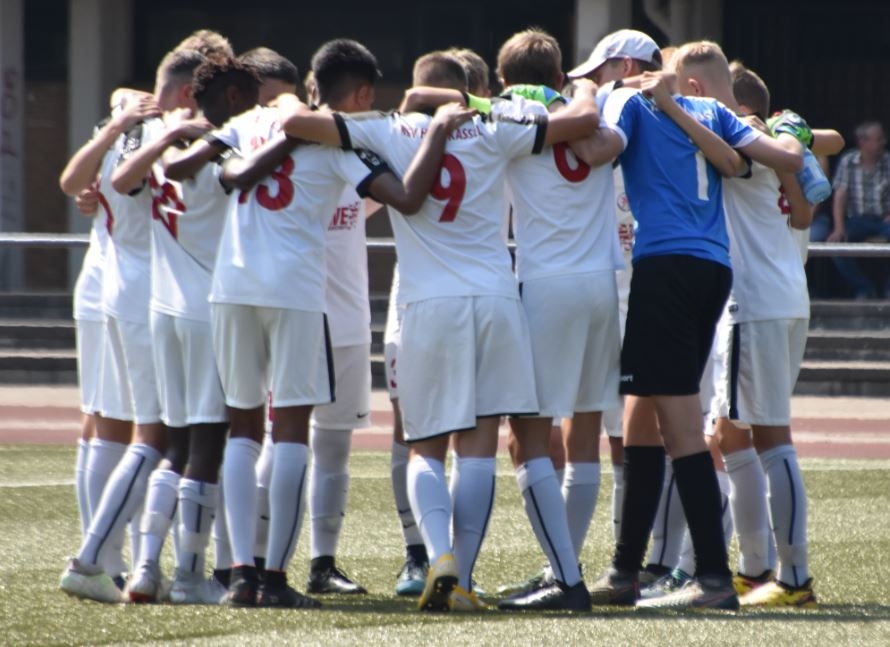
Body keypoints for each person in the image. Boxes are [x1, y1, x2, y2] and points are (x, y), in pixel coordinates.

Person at [278, 49, 601, 612]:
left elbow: (298, 123)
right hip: (497, 299)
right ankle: (465, 581)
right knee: (478, 450)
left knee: (424, 447)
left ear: (414, 88)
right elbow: (579, 123)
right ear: (468, 88)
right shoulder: (495, 124)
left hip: (429, 305)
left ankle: (439, 556)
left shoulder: (385, 129)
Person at [177, 55, 472, 607]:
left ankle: (239, 575)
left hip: (231, 285)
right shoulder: (338, 142)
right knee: (291, 432)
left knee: (244, 431)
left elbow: (203, 170)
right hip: (294, 290)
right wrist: (435, 135)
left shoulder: (247, 122)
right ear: (356, 94)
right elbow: (408, 198)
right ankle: (274, 579)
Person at [584, 37, 804, 610]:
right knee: (639, 417)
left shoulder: (631, 103)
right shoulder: (713, 111)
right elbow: (764, 159)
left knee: (680, 426)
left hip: (667, 267)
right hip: (711, 269)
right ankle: (625, 570)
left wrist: (585, 104)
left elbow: (600, 150)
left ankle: (711, 575)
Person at [110, 56, 264, 605]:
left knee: (174, 447)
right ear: (231, 98)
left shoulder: (165, 142)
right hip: (206, 312)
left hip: (163, 308)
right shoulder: (221, 146)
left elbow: (122, 181)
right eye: (251, 98)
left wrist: (163, 131)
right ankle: (188, 577)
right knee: (206, 446)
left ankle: (145, 567)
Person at [670, 52, 816, 607]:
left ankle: (793, 577)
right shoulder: (769, 133)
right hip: (784, 294)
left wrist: (668, 108)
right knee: (731, 435)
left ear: (694, 87)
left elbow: (725, 159)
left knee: (771, 438)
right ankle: (755, 568)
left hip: (753, 301)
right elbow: (802, 212)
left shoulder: (740, 136)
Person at [827, 121, 890, 298]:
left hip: (884, 220)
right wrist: (839, 228)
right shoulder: (848, 161)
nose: (883, 142)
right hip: (856, 221)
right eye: (878, 139)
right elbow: (840, 195)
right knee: (835, 246)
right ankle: (865, 289)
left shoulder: (888, 161)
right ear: (863, 142)